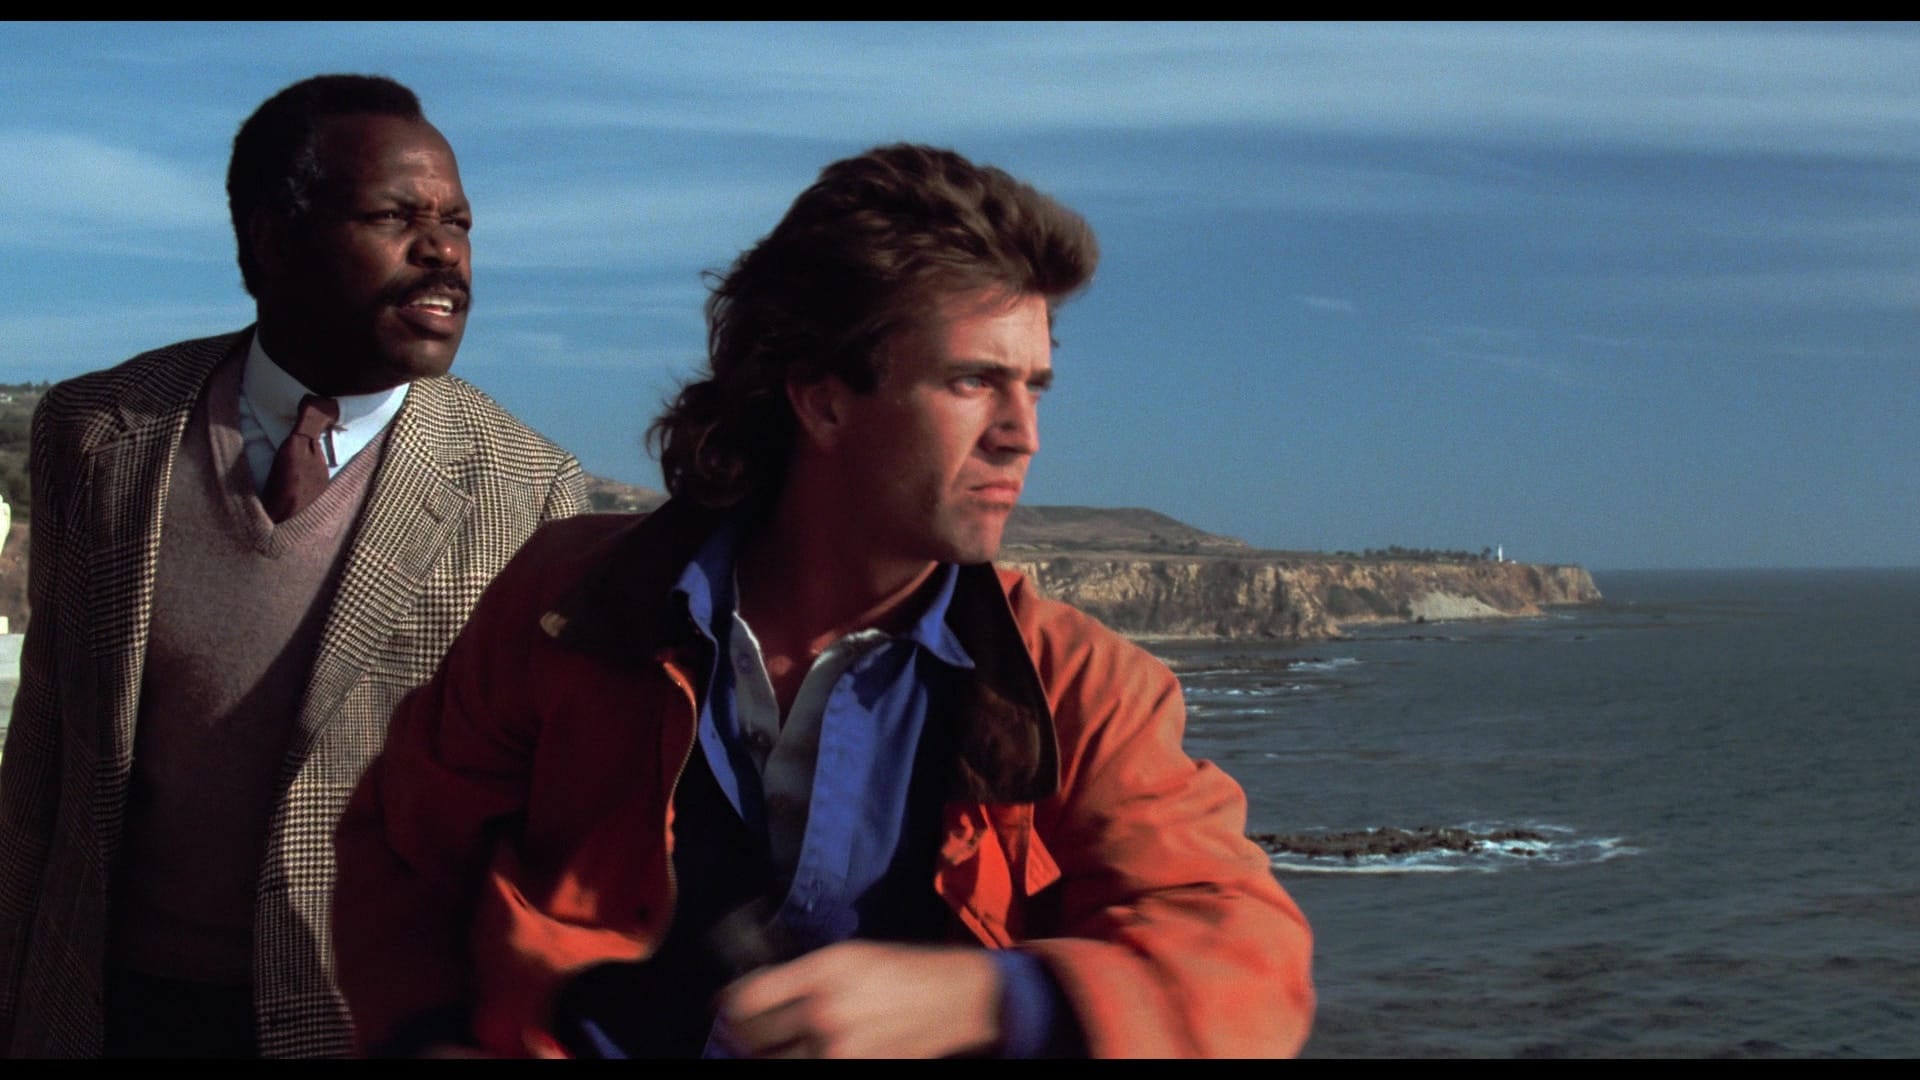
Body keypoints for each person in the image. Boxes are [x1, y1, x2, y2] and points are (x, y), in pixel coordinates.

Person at [332, 143, 1314, 1059]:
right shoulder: (568, 605)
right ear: (822, 397)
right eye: (974, 381)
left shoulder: (1080, 687)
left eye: (1035, 388)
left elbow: (1246, 960)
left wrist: (993, 998)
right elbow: (402, 859)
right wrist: (427, 1039)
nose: (1023, 434)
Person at [0, 74, 585, 1059]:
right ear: (271, 238)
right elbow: (45, 752)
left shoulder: (526, 490)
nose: (443, 252)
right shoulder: (102, 432)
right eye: (396, 217)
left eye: (457, 223)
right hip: (106, 1007)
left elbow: (537, 823)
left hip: (360, 1021)